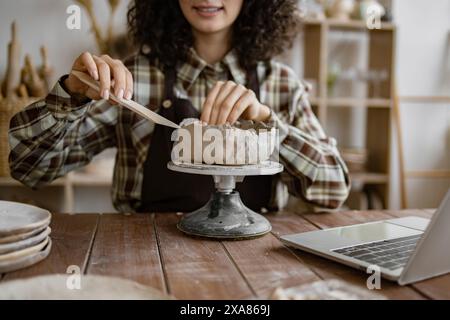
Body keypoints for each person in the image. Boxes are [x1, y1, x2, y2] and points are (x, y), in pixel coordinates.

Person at [8, 0, 349, 213]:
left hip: (256, 265)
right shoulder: (132, 81)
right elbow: (30, 169)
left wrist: (266, 121)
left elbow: (333, 191)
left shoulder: (281, 83)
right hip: (146, 260)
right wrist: (72, 95)